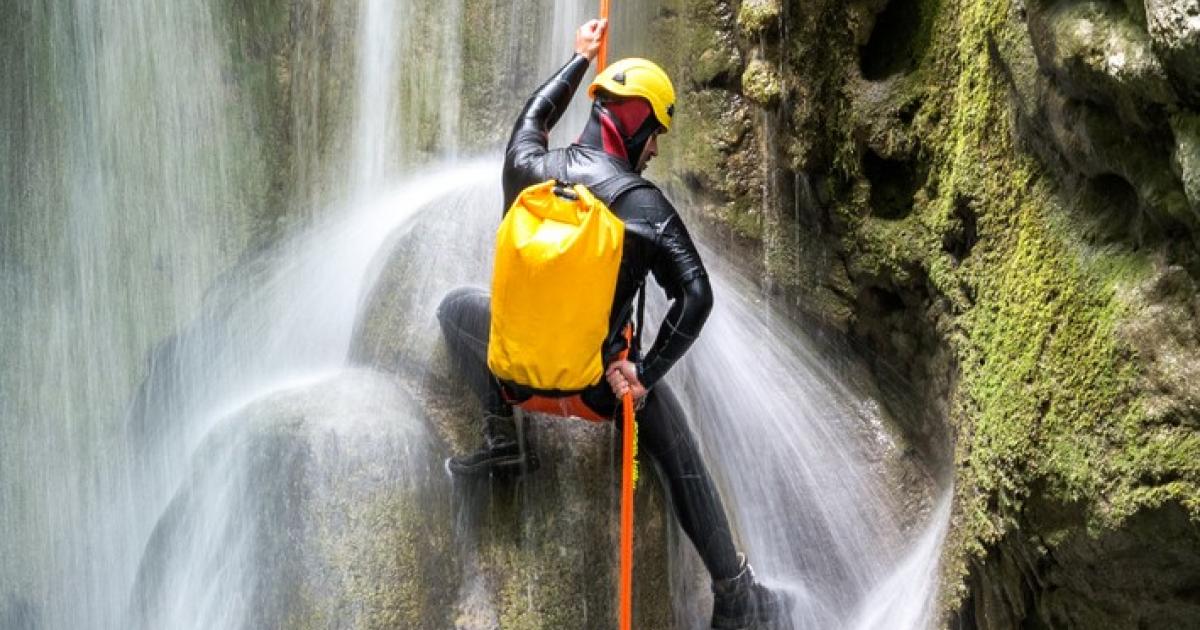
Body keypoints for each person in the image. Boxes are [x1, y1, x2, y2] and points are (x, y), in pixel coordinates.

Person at [437, 19, 782, 629]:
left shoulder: (524, 169)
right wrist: (643, 373)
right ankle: (734, 590)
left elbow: (533, 118)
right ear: (634, 119)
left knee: (453, 308)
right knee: (679, 450)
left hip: (516, 379)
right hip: (599, 393)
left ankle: (500, 437)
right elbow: (696, 297)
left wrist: (578, 60)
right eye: (655, 132)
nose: (655, 149)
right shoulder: (643, 207)